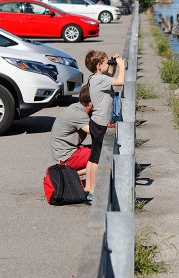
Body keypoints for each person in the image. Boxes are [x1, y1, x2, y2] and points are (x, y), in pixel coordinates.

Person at [84, 50, 125, 197]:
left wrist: (113, 65)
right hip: (101, 123)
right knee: (97, 159)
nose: (109, 65)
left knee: (93, 156)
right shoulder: (101, 80)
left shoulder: (95, 78)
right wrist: (121, 66)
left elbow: (110, 78)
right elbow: (119, 82)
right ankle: (94, 191)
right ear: (99, 66)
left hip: (95, 121)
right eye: (107, 63)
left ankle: (88, 187)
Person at [50, 84, 92, 177]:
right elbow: (95, 132)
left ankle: (72, 174)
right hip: (66, 157)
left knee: (98, 150)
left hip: (66, 152)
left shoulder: (78, 107)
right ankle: (71, 175)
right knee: (102, 154)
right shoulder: (78, 114)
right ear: (91, 102)